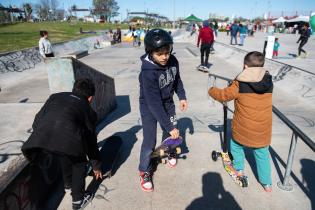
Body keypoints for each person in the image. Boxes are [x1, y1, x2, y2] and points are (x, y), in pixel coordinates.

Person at [21, 78, 103, 209]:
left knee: (65, 150)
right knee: (78, 161)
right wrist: (96, 165)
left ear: (74, 90)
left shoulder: (55, 97)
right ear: (90, 98)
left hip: (36, 144)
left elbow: (37, 120)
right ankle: (78, 200)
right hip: (64, 142)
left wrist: (45, 136)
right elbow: (91, 143)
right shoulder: (88, 110)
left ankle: (68, 184)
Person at [208, 51, 273, 192]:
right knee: (262, 153)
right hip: (263, 129)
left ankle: (239, 169)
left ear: (245, 66)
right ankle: (266, 183)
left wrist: (212, 90)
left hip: (244, 126)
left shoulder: (240, 82)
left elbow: (224, 95)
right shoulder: (268, 80)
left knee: (236, 145)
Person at [139, 29, 188, 192]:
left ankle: (170, 152)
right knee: (149, 140)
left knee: (170, 135)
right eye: (160, 54)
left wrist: (182, 96)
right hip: (149, 106)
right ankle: (144, 170)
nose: (165, 57)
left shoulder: (173, 61)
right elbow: (154, 105)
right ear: (150, 52)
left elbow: (177, 80)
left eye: (167, 52)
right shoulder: (147, 73)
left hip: (168, 103)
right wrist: (169, 125)